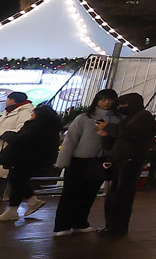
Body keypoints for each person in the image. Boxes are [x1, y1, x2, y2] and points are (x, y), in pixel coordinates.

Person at [52, 89, 123, 234]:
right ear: (97, 101)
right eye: (103, 99)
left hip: (100, 162)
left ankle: (80, 223)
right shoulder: (84, 118)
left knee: (89, 194)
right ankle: (62, 225)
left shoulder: (119, 119)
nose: (107, 102)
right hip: (78, 161)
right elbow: (71, 140)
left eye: (110, 99)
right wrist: (63, 161)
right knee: (70, 194)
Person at [98, 92, 156, 236]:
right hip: (121, 159)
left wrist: (107, 127)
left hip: (130, 160)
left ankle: (117, 227)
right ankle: (111, 226)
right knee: (115, 195)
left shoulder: (143, 117)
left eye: (124, 105)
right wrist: (106, 135)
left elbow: (127, 133)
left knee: (121, 194)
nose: (121, 107)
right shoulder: (131, 117)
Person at [0, 104, 62, 222]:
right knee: (18, 182)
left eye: (33, 113)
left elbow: (21, 140)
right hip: (35, 159)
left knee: (16, 180)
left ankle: (29, 203)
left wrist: (8, 135)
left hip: (27, 159)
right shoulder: (51, 128)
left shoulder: (37, 126)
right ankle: (16, 208)